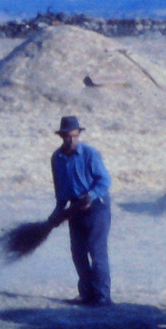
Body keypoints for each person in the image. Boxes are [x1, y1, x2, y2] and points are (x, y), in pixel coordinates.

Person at [49, 115, 112, 306]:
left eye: (75, 136)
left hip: (96, 207)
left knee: (96, 250)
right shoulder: (57, 158)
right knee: (78, 252)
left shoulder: (90, 154)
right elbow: (60, 189)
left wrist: (90, 196)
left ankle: (102, 297)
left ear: (78, 134)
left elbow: (105, 181)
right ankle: (86, 294)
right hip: (74, 208)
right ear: (62, 136)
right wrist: (58, 212)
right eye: (68, 136)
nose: (72, 140)